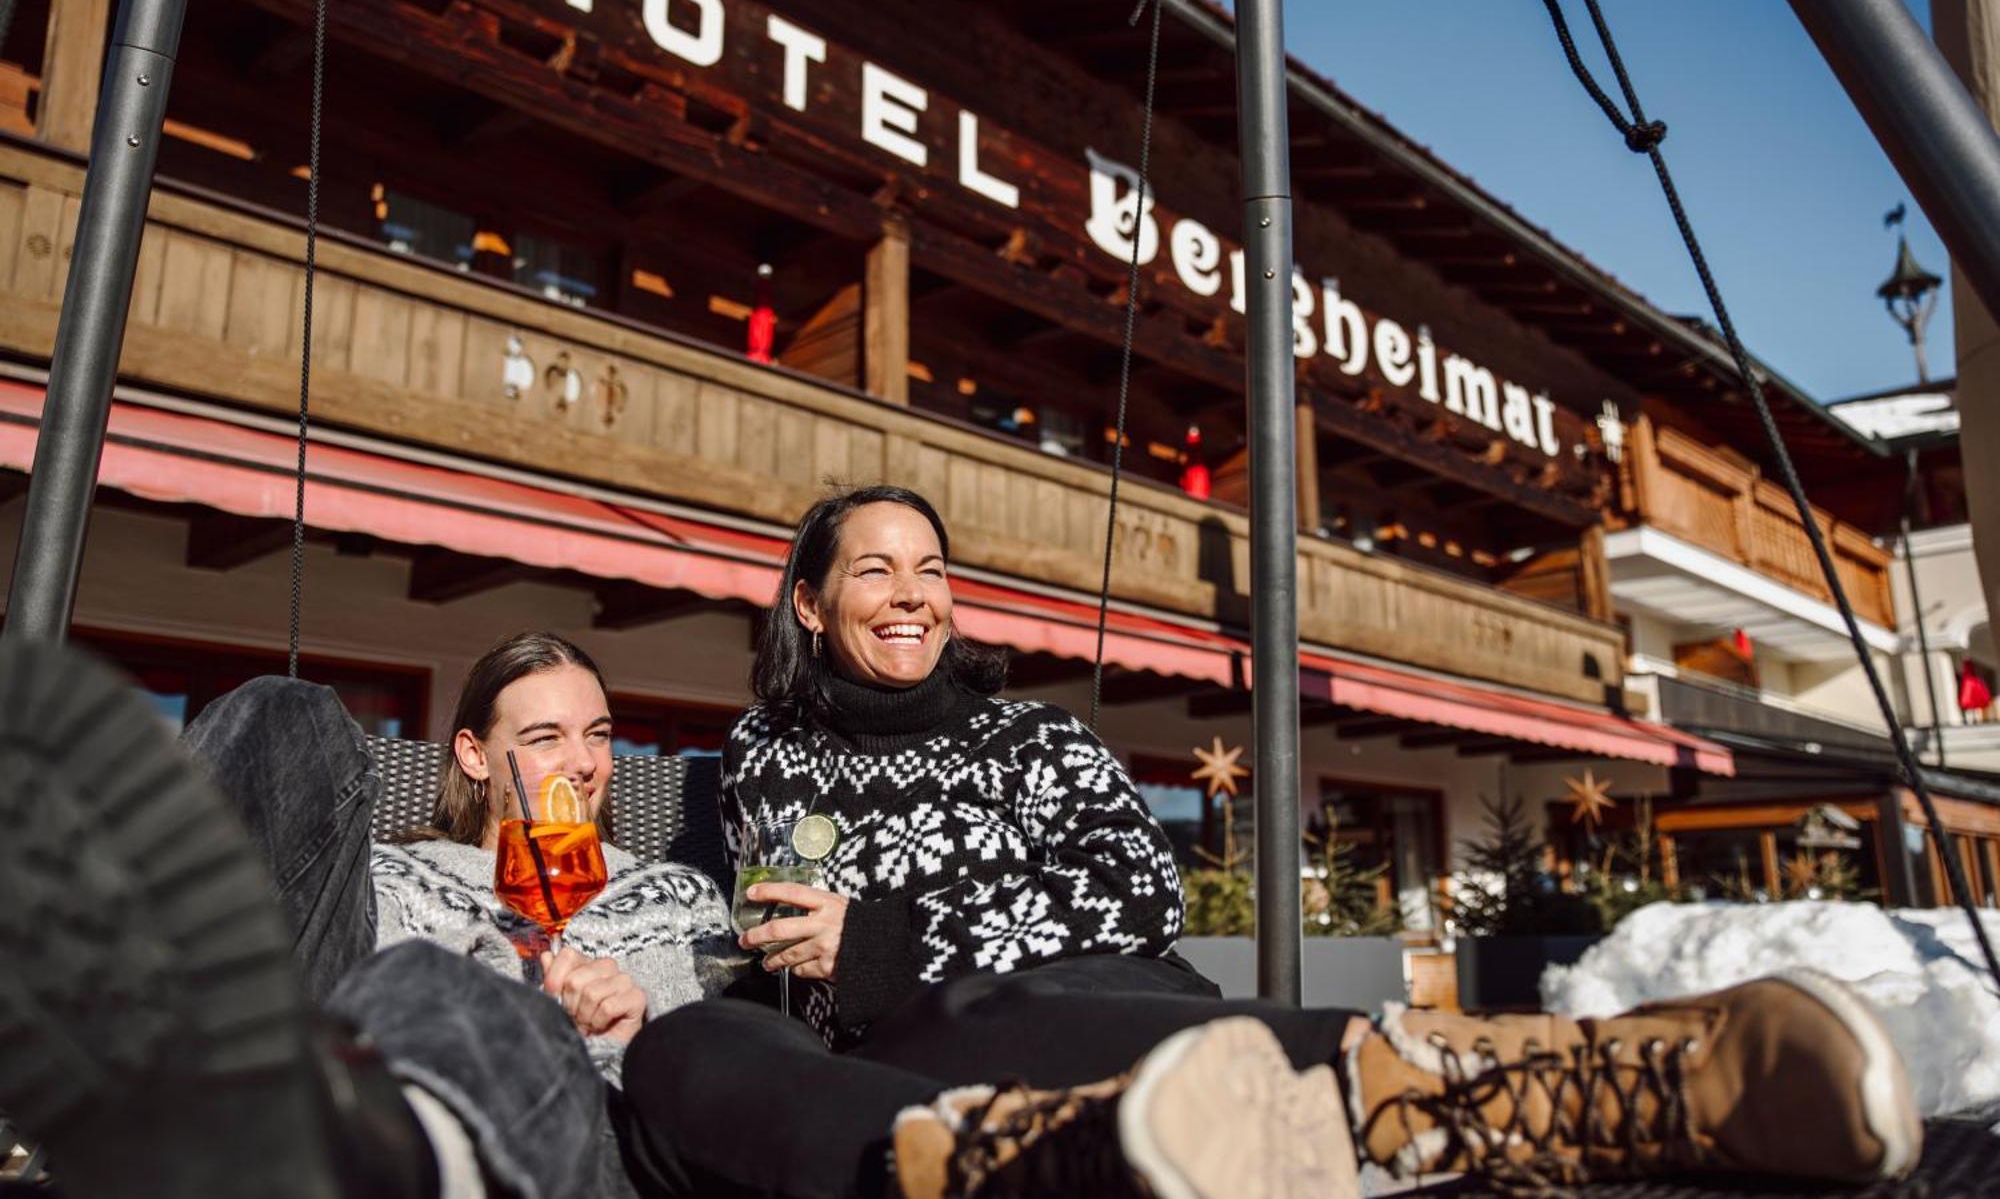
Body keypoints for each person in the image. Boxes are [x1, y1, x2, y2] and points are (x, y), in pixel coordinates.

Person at [614, 485, 1925, 1199]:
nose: (913, 595)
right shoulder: (770, 754)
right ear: (808, 598)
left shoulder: (1033, 738)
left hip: (1071, 1003)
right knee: (715, 1045)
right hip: (898, 1053)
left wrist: (896, 927)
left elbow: (1133, 885)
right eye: (875, 571)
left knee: (1041, 989)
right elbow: (783, 921)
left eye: (933, 571)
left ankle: (1596, 1079)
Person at [0, 630, 732, 1199]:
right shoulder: (385, 874)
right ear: (475, 755)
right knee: (288, 711)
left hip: (584, 1145)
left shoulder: (677, 894)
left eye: (599, 734)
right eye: (546, 737)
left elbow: (727, 1083)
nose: (584, 762)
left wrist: (642, 1032)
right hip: (351, 1105)